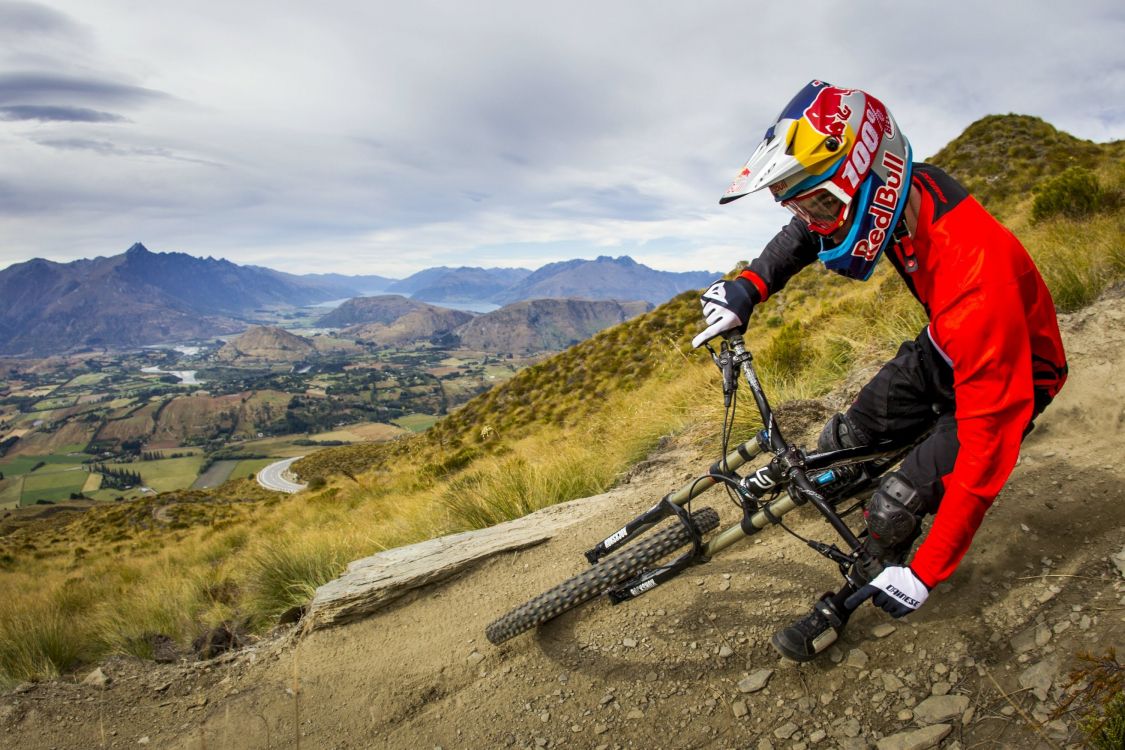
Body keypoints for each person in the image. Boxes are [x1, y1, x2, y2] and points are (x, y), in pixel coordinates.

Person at [692, 80, 1068, 662]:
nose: (819, 223)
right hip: (948, 344)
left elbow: (988, 445)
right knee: (847, 437)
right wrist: (749, 287)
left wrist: (927, 571)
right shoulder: (898, 193)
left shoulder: (974, 278)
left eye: (823, 205)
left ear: (870, 180)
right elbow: (807, 232)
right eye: (807, 205)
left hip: (1014, 369)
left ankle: (856, 586)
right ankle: (855, 483)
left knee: (895, 506)